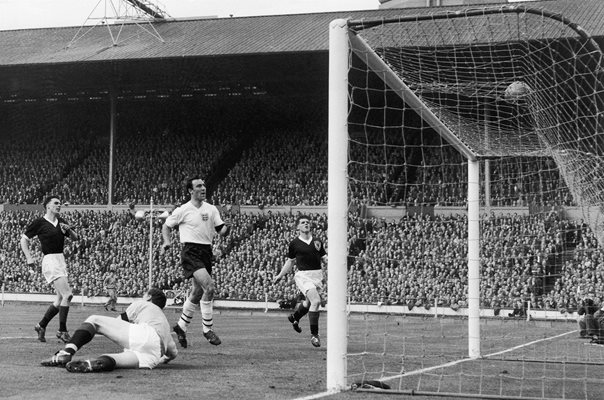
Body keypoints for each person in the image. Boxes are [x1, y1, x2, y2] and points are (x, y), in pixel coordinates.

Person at [160, 176, 231, 348]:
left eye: (204, 185)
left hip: (206, 251)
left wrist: (227, 227)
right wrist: (167, 242)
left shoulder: (211, 209)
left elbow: (221, 231)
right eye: (199, 186)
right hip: (191, 251)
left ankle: (181, 326)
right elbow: (166, 226)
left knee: (197, 292)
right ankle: (207, 329)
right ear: (191, 191)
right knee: (210, 287)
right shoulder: (183, 209)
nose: (203, 188)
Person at [40, 288, 177, 372]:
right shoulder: (164, 323)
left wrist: (91, 332)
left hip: (145, 335)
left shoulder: (143, 304)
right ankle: (93, 364)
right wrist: (161, 360)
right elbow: (172, 353)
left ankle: (65, 353)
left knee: (94, 320)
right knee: (114, 360)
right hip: (153, 354)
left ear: (148, 297)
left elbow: (117, 323)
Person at [21, 195, 79, 343]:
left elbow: (75, 238)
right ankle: (62, 330)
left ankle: (41, 325)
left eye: (60, 203)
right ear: (47, 206)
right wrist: (29, 257)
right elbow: (24, 240)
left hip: (60, 259)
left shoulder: (61, 221)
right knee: (68, 295)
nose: (59, 205)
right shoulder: (40, 222)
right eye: (56, 203)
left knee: (60, 299)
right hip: (50, 260)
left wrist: (69, 230)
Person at [274, 215, 327, 347]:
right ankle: (314, 335)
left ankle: (295, 317)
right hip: (303, 276)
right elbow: (290, 261)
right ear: (298, 227)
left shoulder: (317, 241)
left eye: (308, 222)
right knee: (316, 301)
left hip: (317, 275)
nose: (306, 224)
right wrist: (280, 275)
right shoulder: (294, 243)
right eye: (303, 223)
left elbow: (325, 258)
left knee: (308, 303)